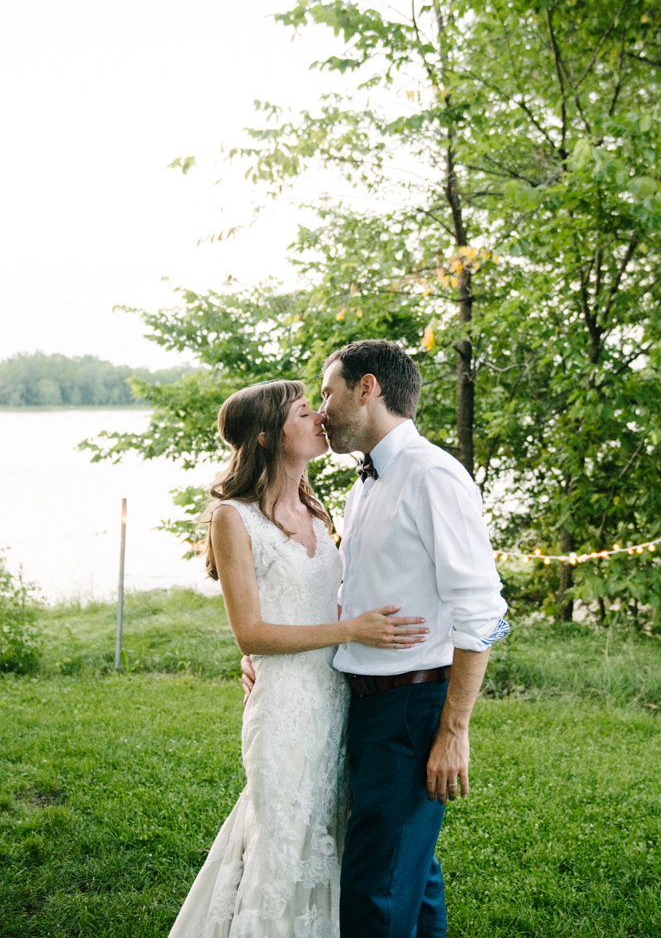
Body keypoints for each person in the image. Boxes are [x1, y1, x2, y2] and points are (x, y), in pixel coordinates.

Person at [244, 340, 510, 938]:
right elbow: (353, 598)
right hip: (361, 703)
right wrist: (268, 650)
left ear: (368, 389)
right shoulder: (365, 484)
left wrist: (453, 729)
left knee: (374, 894)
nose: (323, 412)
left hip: (410, 710)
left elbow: (484, 611)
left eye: (329, 394)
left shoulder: (433, 476)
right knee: (411, 882)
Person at [168, 379, 430, 938]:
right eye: (304, 412)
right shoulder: (232, 518)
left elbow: (317, 597)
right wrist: (352, 629)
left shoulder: (315, 506)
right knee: (284, 836)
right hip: (286, 703)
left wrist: (351, 623)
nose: (320, 419)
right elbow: (252, 634)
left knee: (331, 832)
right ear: (266, 436)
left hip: (337, 695)